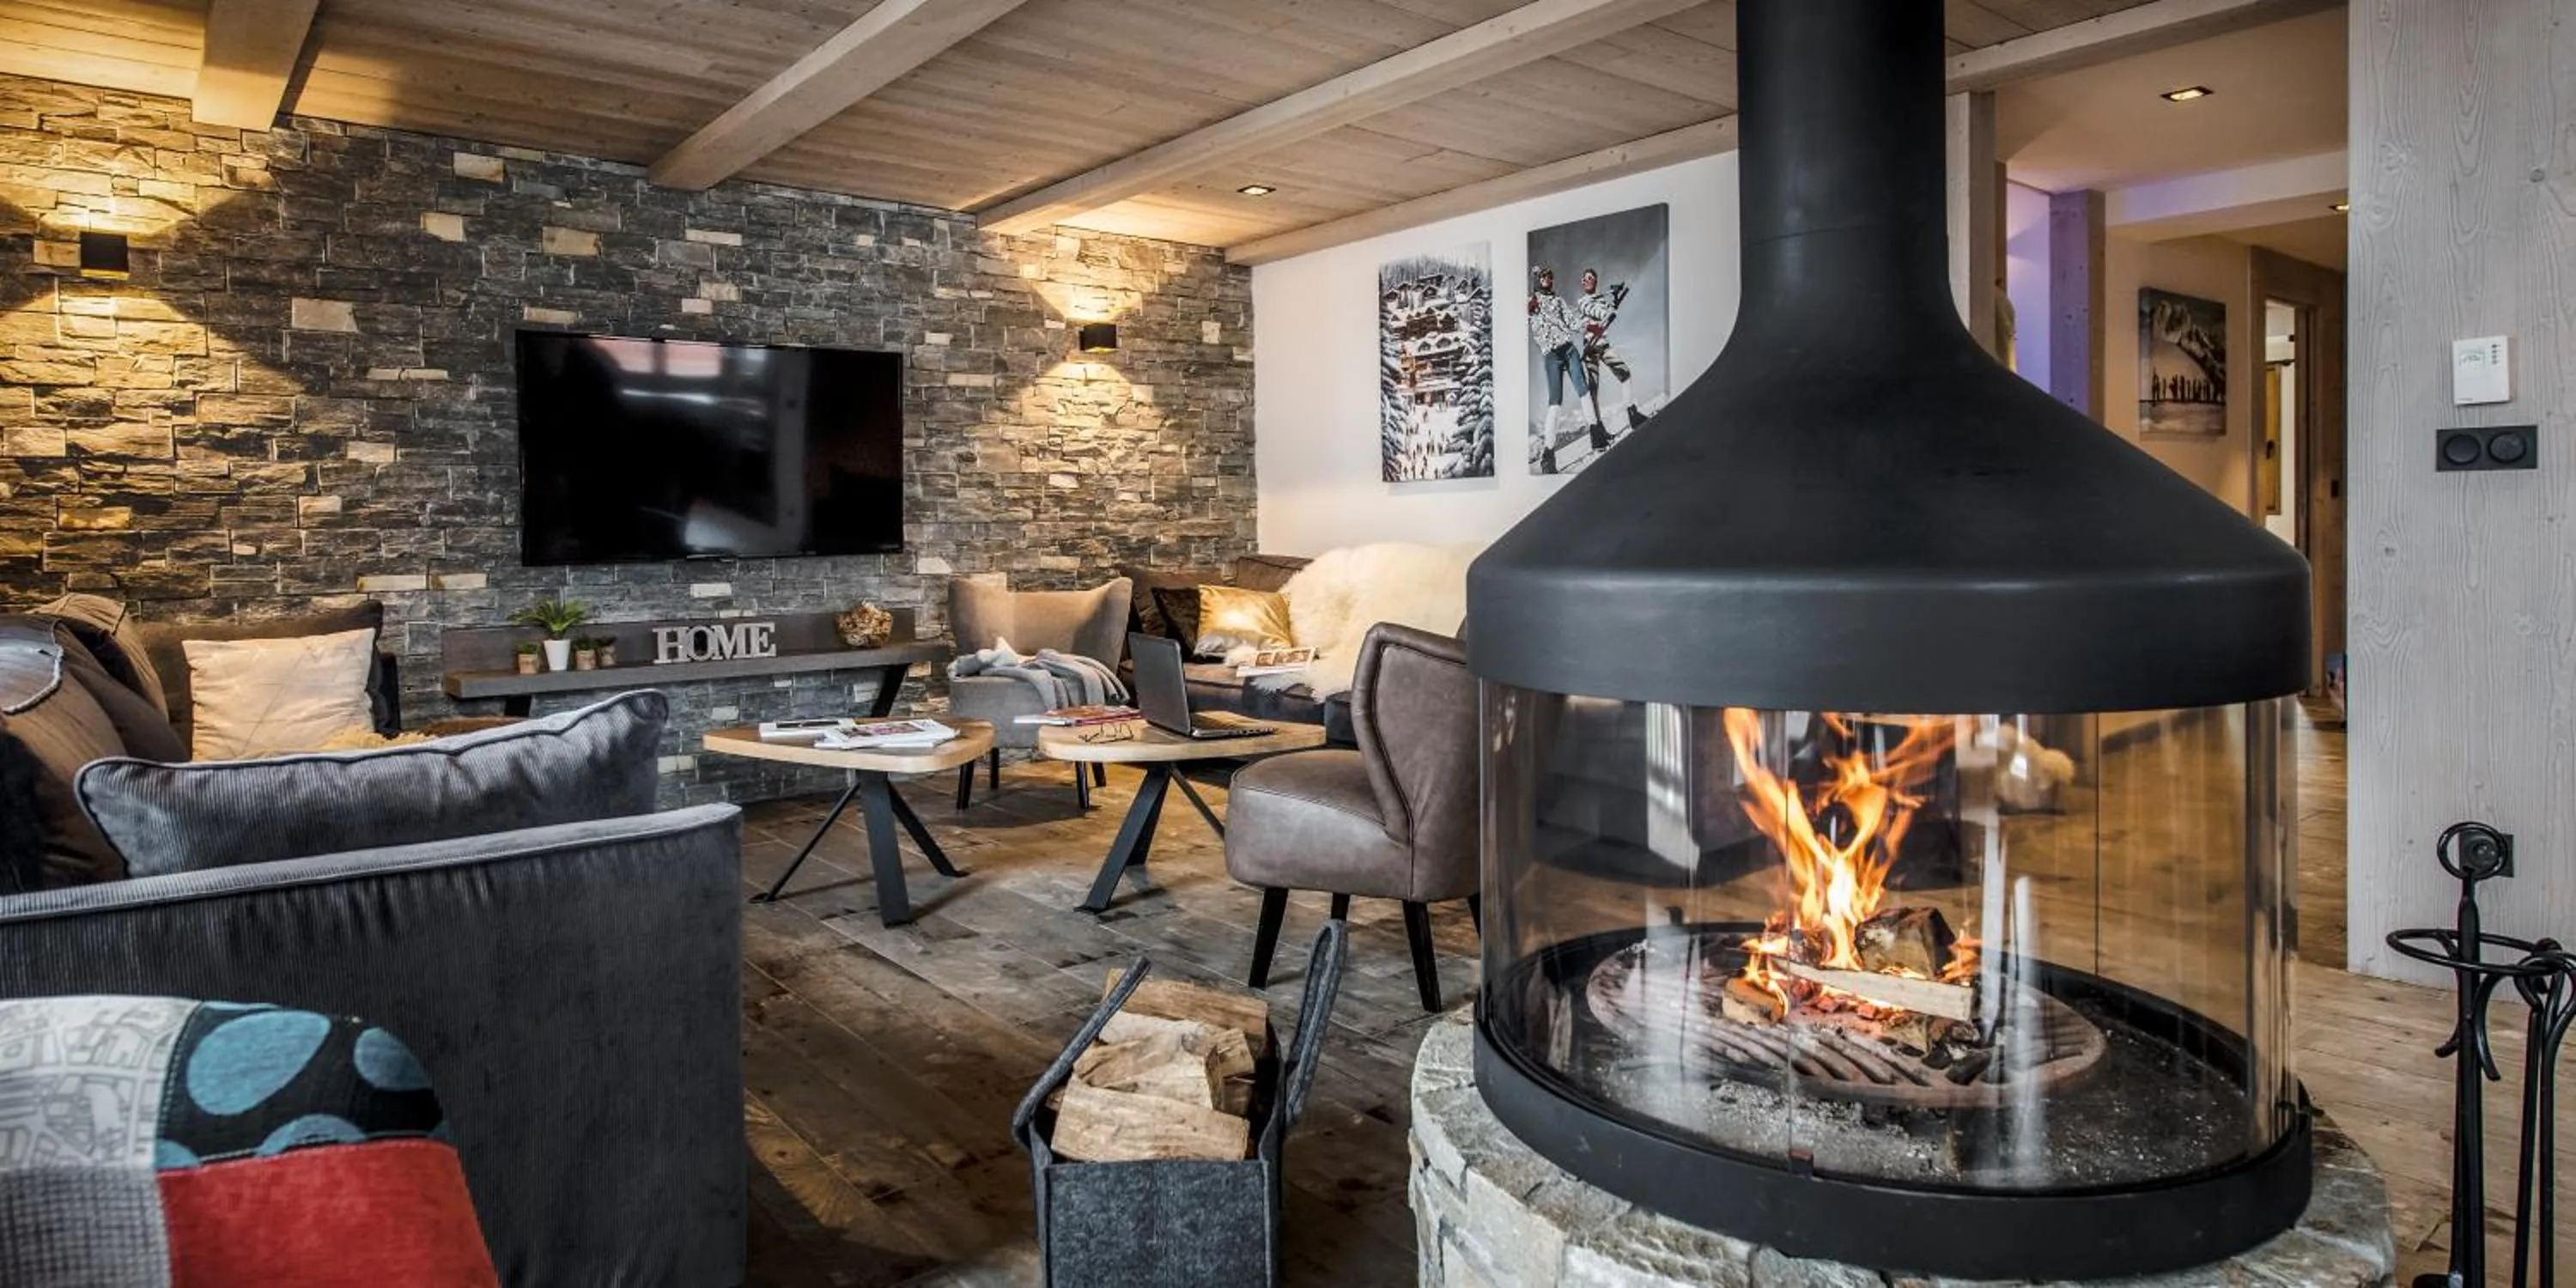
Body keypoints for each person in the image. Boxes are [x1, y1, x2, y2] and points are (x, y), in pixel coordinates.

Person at [1528, 265, 1595, 471]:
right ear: (1537, 280)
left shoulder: (1558, 301)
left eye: (1550, 276)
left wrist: (1590, 327)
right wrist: (1531, 307)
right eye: (1543, 277)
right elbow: (1530, 322)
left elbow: (1572, 322)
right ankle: (1548, 455)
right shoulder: (1532, 302)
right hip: (1552, 355)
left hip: (1568, 349)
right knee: (1555, 402)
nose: (1547, 279)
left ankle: (1597, 433)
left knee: (1582, 388)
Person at [1577, 268, 1648, 446]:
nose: (1587, 281)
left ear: (1595, 281)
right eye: (1584, 278)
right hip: (1590, 347)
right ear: (1582, 283)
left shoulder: (1601, 299)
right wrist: (1612, 306)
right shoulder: (1582, 302)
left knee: (1625, 373)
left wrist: (1612, 304)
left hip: (1603, 345)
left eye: (1590, 278)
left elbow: (1606, 317)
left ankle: (1632, 413)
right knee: (1593, 390)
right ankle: (1597, 433)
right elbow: (1600, 314)